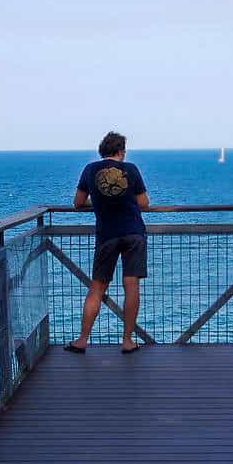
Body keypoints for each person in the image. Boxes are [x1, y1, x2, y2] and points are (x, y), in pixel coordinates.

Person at [64, 131, 150, 354]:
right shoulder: (131, 170)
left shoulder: (90, 170)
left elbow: (77, 203)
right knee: (131, 287)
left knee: (97, 288)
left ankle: (82, 340)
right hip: (133, 233)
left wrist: (100, 199)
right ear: (121, 151)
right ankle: (128, 340)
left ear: (102, 151)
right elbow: (144, 203)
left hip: (107, 235)